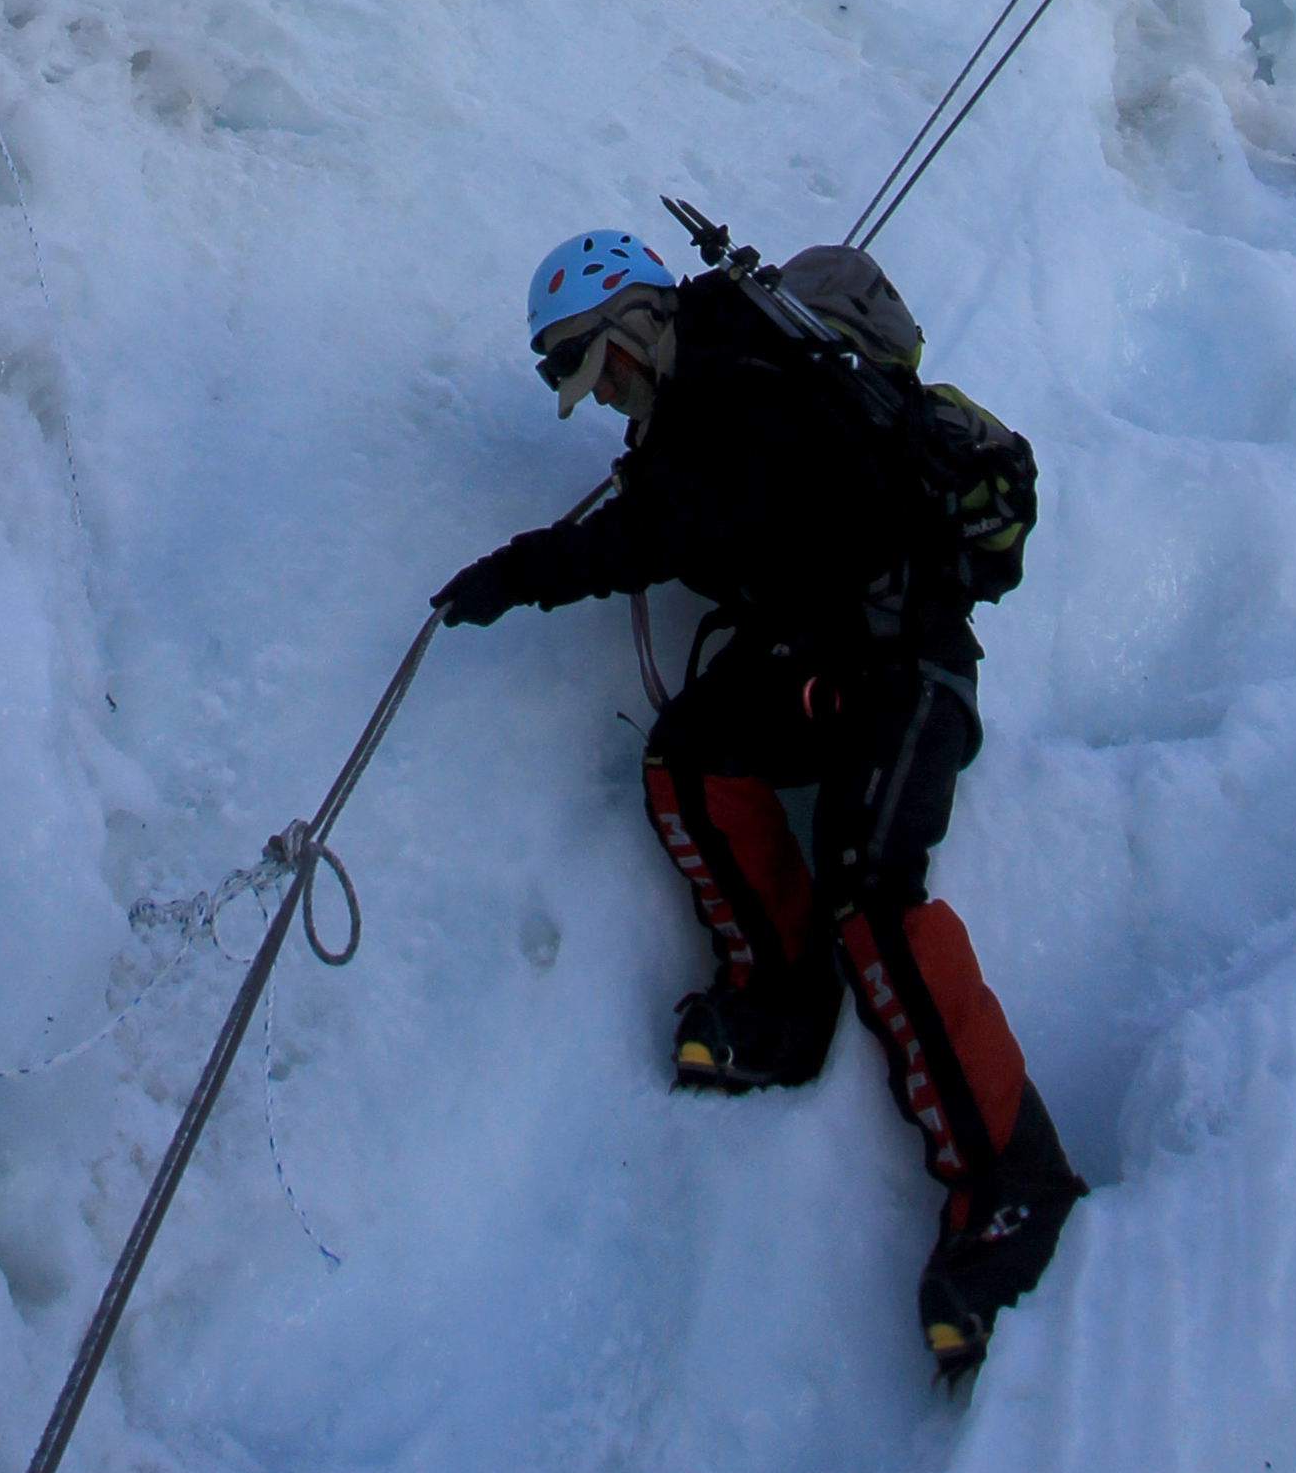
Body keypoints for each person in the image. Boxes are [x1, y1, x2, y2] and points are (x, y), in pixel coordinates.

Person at [434, 224, 1086, 1381]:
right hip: (827, 657)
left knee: (872, 889)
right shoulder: (715, 396)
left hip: (910, 664)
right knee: (690, 759)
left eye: (608, 372)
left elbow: (687, 523)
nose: (610, 403)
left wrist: (529, 571)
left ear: (636, 327)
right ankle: (780, 1008)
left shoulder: (744, 380)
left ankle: (1015, 1185)